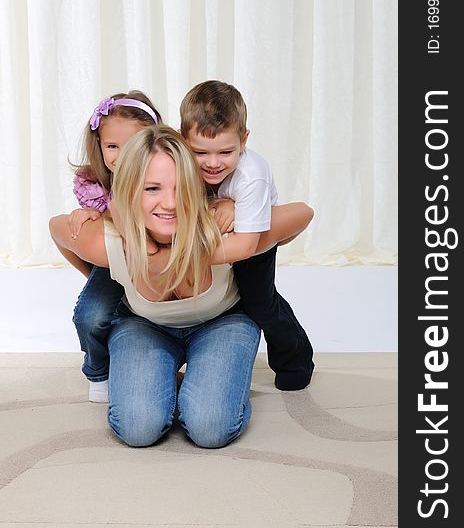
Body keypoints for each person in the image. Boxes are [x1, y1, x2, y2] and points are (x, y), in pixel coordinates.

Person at [50, 125, 313, 448]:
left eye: (180, 188)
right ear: (130, 190)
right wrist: (108, 272)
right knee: (137, 429)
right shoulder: (107, 242)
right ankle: (179, 378)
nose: (170, 204)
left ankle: (217, 379)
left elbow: (303, 213)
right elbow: (57, 230)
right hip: (143, 326)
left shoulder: (223, 231)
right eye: (152, 189)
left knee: (211, 429)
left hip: (223, 322)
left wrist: (241, 215)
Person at [180, 80, 314, 391]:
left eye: (225, 152)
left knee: (259, 303)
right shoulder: (181, 160)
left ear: (244, 140)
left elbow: (246, 245)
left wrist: (186, 258)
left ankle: (296, 359)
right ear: (184, 140)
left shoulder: (252, 175)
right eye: (201, 152)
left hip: (252, 238)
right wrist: (222, 203)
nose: (213, 163)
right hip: (212, 233)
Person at [70, 91, 163, 402]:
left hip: (157, 260)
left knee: (152, 318)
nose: (122, 156)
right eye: (112, 146)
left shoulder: (166, 175)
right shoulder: (96, 182)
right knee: (91, 314)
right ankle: (98, 369)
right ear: (99, 146)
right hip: (116, 258)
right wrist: (91, 213)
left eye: (134, 145)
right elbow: (92, 229)